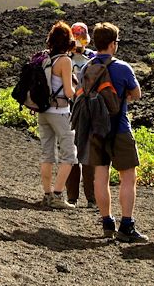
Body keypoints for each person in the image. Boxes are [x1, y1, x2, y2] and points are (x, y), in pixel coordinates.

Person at [87, 22, 147, 242]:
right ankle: (127, 226)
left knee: (100, 176)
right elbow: (137, 93)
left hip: (96, 130)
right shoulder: (122, 68)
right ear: (113, 44)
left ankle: (107, 223)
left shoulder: (87, 67)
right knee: (128, 177)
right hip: (120, 127)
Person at [37, 21, 78, 209]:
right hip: (60, 112)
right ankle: (58, 196)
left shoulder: (45, 58)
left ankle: (46, 195)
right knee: (69, 155)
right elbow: (69, 93)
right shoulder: (65, 61)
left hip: (43, 111)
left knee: (47, 154)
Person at [65, 22, 97, 208]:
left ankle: (77, 197)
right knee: (82, 153)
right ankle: (85, 197)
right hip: (82, 107)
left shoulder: (68, 57)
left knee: (78, 153)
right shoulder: (92, 58)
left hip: (75, 108)